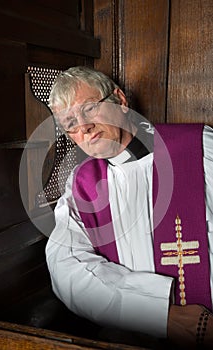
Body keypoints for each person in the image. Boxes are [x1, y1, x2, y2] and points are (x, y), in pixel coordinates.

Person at [45, 66, 213, 348]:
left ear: (121, 101)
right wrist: (162, 316)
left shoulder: (198, 146)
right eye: (70, 122)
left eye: (89, 109)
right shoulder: (81, 185)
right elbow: (66, 266)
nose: (83, 126)